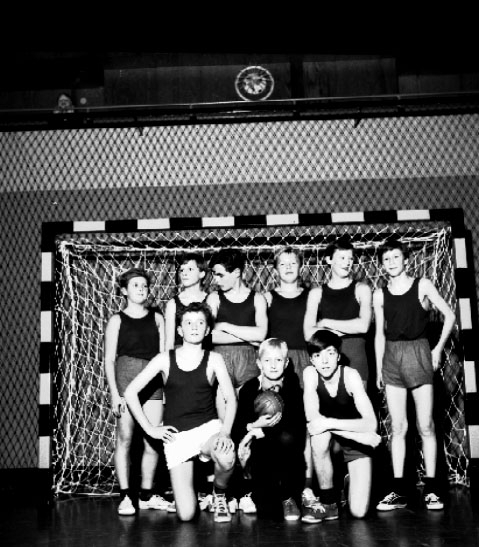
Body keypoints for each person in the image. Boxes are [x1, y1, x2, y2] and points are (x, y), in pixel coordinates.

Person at [124, 301, 237, 523]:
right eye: (188, 323)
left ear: (207, 330)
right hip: (178, 437)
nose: (194, 327)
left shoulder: (214, 359)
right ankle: (193, 495)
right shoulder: (164, 359)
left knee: (226, 455)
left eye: (200, 323)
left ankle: (219, 494)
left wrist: (225, 432)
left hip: (208, 429)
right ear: (179, 330)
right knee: (186, 515)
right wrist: (150, 429)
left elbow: (231, 399)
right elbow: (130, 392)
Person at [373, 237, 455, 512]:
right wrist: (379, 367)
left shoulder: (422, 285)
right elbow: (379, 334)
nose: (391, 262)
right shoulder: (380, 294)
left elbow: (450, 315)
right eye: (386, 259)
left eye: (396, 257)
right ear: (382, 265)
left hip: (418, 352)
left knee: (426, 425)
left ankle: (432, 489)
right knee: (398, 427)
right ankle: (399, 491)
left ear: (406, 260)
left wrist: (437, 349)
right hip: (392, 356)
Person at [104, 268, 167, 516]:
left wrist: (167, 388)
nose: (141, 289)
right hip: (126, 381)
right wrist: (114, 393)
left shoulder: (158, 318)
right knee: (125, 438)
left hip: (152, 380)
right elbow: (109, 359)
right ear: (124, 291)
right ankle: (126, 496)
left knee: (153, 439)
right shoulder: (116, 320)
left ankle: (147, 495)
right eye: (135, 285)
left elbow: (163, 357)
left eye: (144, 285)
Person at [303, 330, 381, 521]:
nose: (324, 361)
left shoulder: (350, 376)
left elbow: (371, 423)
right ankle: (329, 504)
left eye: (330, 353)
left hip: (355, 443)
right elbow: (314, 422)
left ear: (338, 356)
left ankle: (347, 481)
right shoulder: (310, 374)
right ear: (311, 360)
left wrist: (329, 423)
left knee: (358, 512)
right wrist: (360, 435)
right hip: (344, 437)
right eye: (317, 355)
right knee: (318, 438)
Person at [232, 338, 306, 521]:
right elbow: (238, 426)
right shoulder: (249, 389)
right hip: (259, 453)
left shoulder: (293, 389)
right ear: (259, 363)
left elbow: (296, 426)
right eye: (267, 360)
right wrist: (253, 427)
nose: (273, 365)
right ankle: (247, 490)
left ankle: (288, 496)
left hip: (285, 452)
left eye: (278, 360)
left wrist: (261, 432)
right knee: (266, 509)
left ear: (286, 363)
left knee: (287, 437)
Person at [303, 235, 372, 388]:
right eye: (342, 258)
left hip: (355, 357)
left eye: (350, 258)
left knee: (358, 402)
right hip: (326, 359)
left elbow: (363, 326)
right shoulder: (316, 293)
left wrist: (325, 323)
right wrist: (348, 329)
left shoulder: (362, 289)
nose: (347, 263)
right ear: (329, 260)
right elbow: (308, 333)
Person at [206, 248, 268, 392]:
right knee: (223, 405)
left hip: (249, 361)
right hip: (220, 359)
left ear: (236, 273)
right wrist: (249, 338)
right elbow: (208, 336)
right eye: (214, 274)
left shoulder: (258, 298)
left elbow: (261, 335)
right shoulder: (214, 298)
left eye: (220, 275)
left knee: (247, 405)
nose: (216, 280)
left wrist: (223, 325)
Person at [264, 247, 310, 387]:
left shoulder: (311, 296)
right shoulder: (267, 298)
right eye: (283, 264)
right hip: (277, 358)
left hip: (305, 357)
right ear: (276, 270)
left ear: (301, 268)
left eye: (293, 263)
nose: (288, 267)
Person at [165, 253, 208, 350]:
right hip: (180, 354)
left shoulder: (210, 300)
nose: (184, 273)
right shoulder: (173, 304)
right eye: (182, 270)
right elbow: (169, 343)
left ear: (202, 274)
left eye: (190, 269)